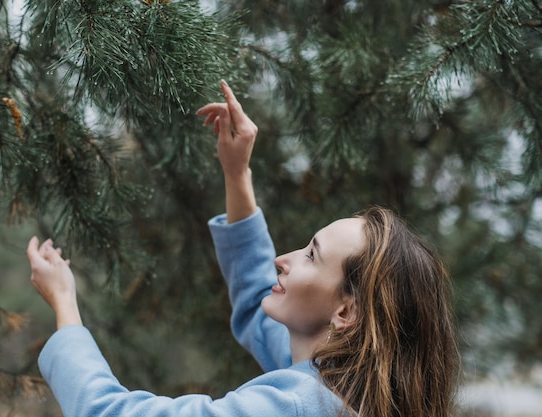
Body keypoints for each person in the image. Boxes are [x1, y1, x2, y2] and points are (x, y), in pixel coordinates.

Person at [27, 80, 459, 417]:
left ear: (345, 313)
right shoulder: (342, 390)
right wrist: (237, 174)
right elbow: (258, 300)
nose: (283, 260)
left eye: (311, 254)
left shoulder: (294, 405)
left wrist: (65, 304)